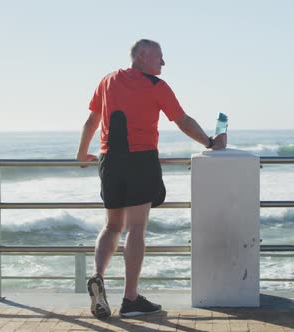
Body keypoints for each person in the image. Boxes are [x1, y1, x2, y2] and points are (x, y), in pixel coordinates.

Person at [76, 39, 226, 319]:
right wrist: (208, 141)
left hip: (109, 160)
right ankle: (131, 299)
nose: (163, 63)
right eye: (160, 57)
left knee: (111, 226)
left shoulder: (108, 80)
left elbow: (91, 121)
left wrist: (83, 154)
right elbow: (182, 120)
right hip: (140, 159)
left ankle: (98, 276)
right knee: (135, 228)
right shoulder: (157, 87)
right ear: (143, 56)